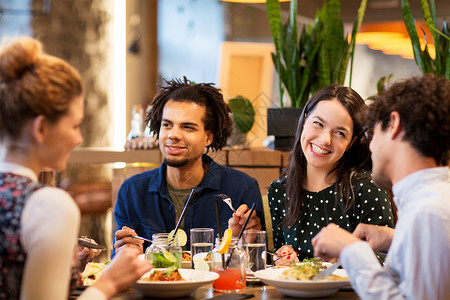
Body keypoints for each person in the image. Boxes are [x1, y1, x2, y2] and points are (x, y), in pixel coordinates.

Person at [0, 37, 151, 300]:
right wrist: (109, 283)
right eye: (74, 125)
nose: (78, 138)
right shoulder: (48, 205)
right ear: (41, 128)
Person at [312, 74, 450, 299]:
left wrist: (352, 251)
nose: (371, 146)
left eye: (371, 133)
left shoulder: (429, 212)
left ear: (394, 124)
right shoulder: (430, 204)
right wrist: (394, 237)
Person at [113, 77, 265, 256]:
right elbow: (117, 265)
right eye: (167, 125)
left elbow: (259, 266)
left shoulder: (241, 189)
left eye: (188, 127)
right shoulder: (132, 191)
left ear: (208, 137)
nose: (173, 135)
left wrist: (246, 242)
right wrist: (125, 252)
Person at [268, 84, 395, 265]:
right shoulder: (279, 190)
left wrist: (348, 256)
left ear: (351, 142)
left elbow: (389, 261)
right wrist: (284, 256)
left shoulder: (367, 188)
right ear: (305, 120)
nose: (325, 140)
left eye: (339, 133)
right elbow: (277, 257)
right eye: (318, 124)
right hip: (295, 292)